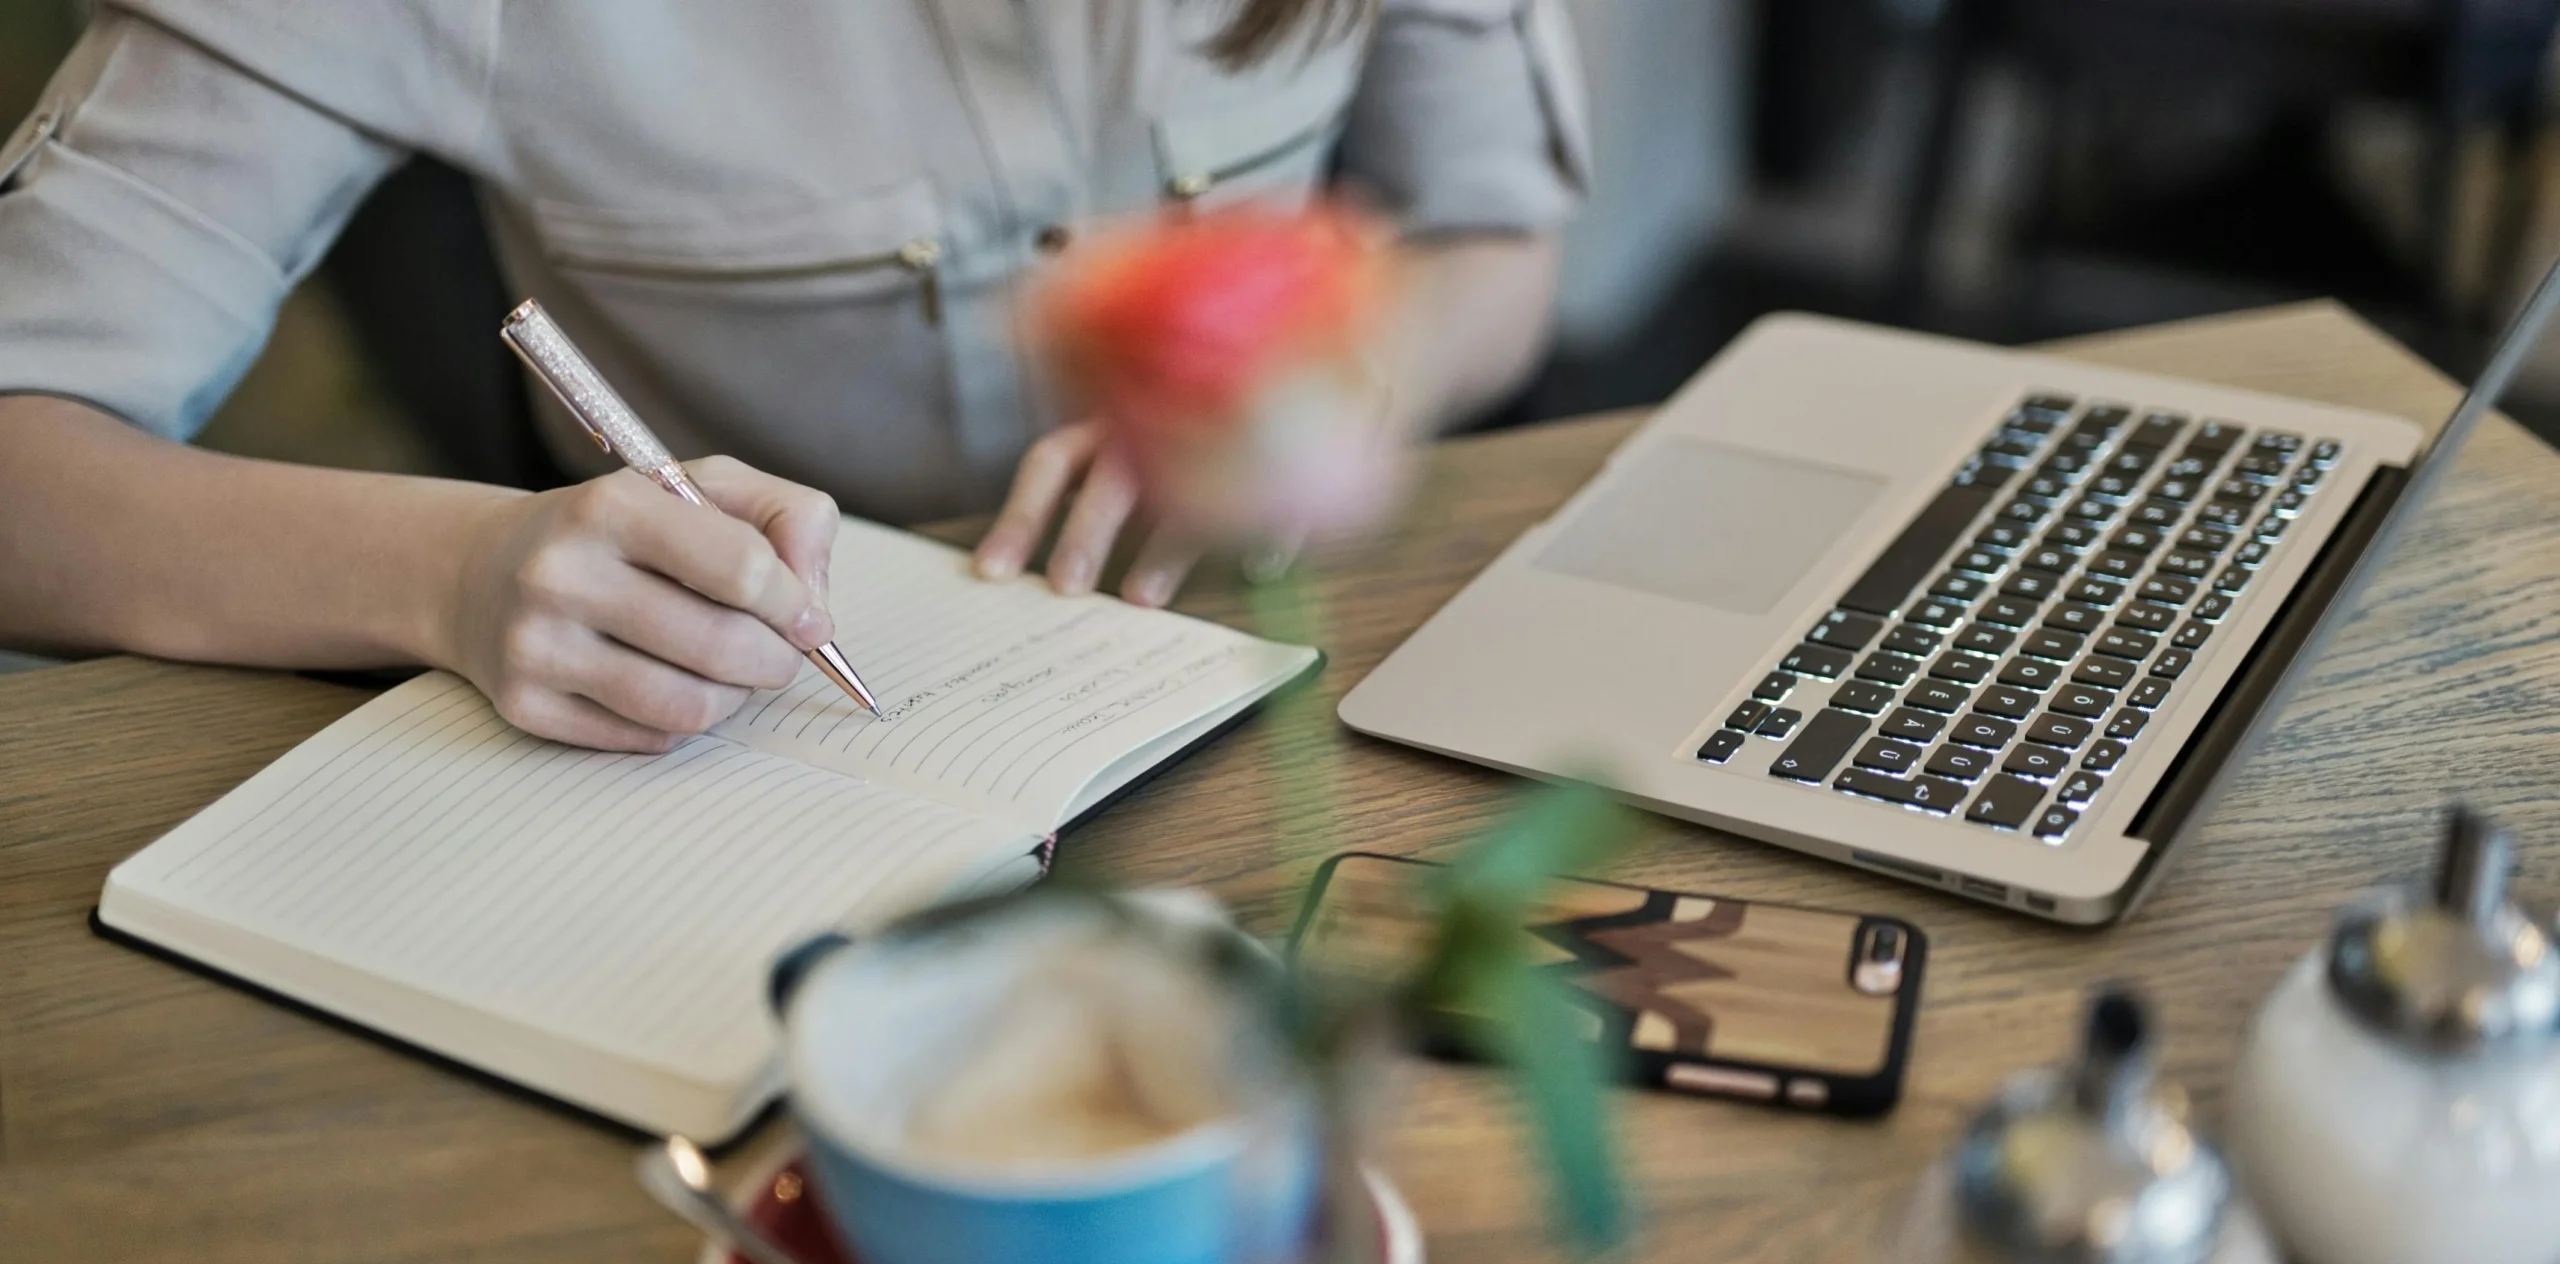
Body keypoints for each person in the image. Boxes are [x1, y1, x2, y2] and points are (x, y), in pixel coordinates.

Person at [0, 0, 1588, 751]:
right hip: (750, 743)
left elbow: (1498, 242)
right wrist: (454, 568)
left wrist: (1363, 368)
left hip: (1292, 685)